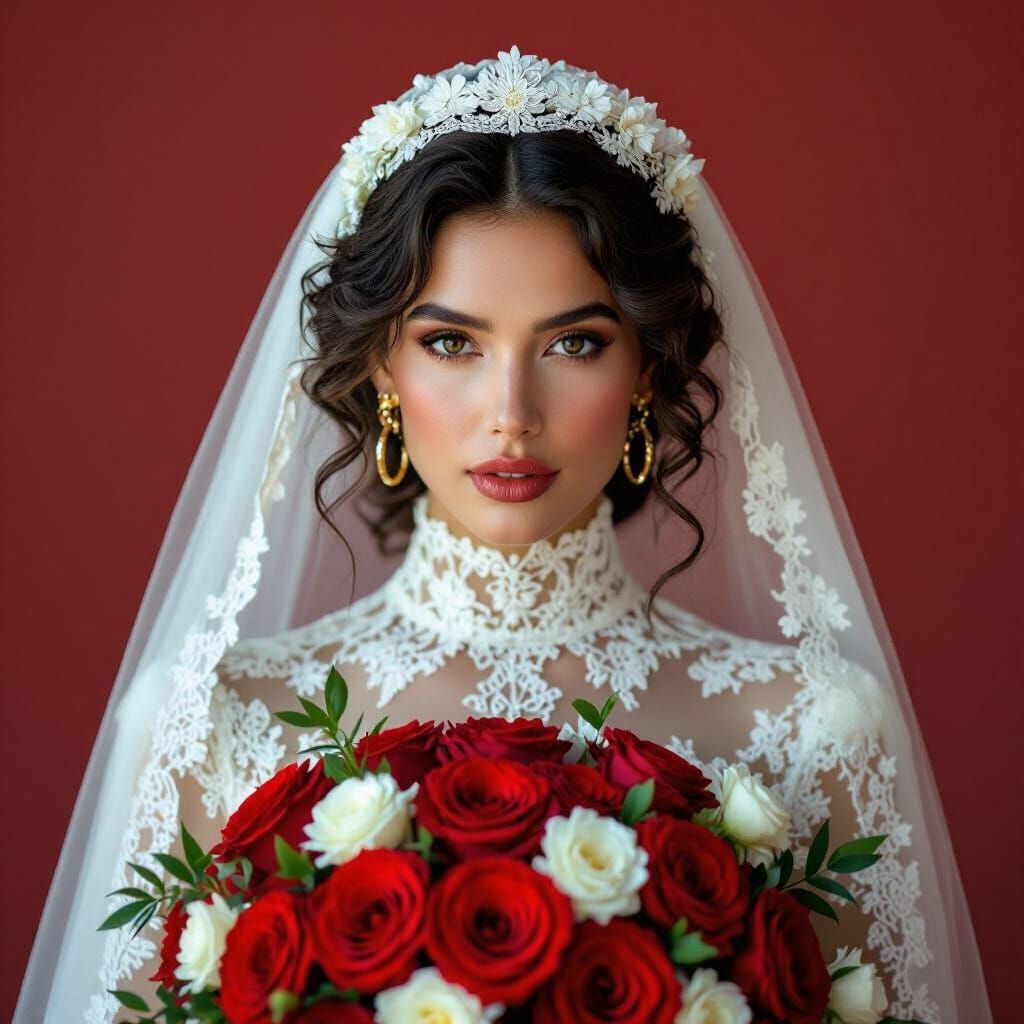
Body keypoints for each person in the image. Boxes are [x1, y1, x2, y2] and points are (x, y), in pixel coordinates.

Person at [15, 44, 991, 1023]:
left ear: (647, 370)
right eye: (452, 343)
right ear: (382, 369)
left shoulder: (816, 730)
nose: (512, 413)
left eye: (575, 343)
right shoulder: (207, 724)